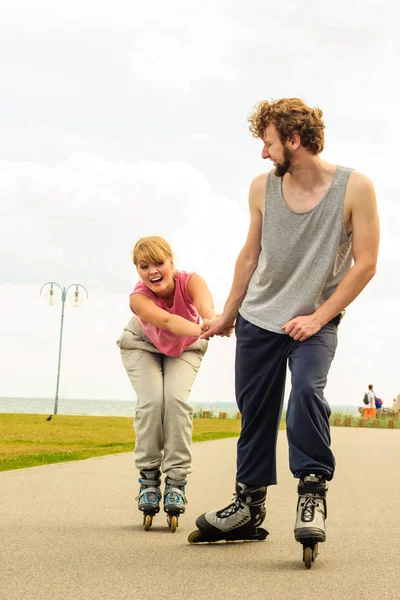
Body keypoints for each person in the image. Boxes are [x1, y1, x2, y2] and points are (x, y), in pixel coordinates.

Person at [191, 97, 380, 560]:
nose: (263, 153)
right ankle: (248, 507)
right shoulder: (261, 189)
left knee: (306, 393)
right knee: (255, 411)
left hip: (315, 320)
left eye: (268, 143)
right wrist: (229, 314)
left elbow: (366, 264)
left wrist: (319, 316)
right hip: (259, 318)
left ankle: (312, 494)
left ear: (294, 141)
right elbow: (250, 256)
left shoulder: (356, 188)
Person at [116, 236, 220, 531]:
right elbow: (166, 322)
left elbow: (207, 307)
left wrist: (214, 321)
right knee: (152, 403)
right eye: (143, 266)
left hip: (185, 347)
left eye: (159, 263)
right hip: (141, 345)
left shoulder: (192, 281)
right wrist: (206, 329)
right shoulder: (138, 298)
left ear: (171, 263)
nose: (152, 271)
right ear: (137, 270)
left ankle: (176, 480)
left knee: (175, 402)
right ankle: (148, 477)